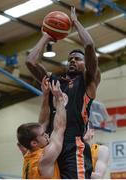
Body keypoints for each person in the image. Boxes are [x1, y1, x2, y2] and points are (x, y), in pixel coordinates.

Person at [26, 6, 100, 179]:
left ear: (85, 63)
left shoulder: (88, 80)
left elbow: (89, 45)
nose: (73, 61)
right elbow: (30, 61)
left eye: (77, 59)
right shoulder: (56, 82)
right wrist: (46, 35)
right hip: (52, 145)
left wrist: (75, 22)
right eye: (70, 59)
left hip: (74, 145)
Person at [17, 79, 67, 179]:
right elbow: (59, 128)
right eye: (43, 134)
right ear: (34, 143)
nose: (46, 135)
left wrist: (45, 95)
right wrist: (59, 99)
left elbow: (43, 122)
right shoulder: (44, 158)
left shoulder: (28, 154)